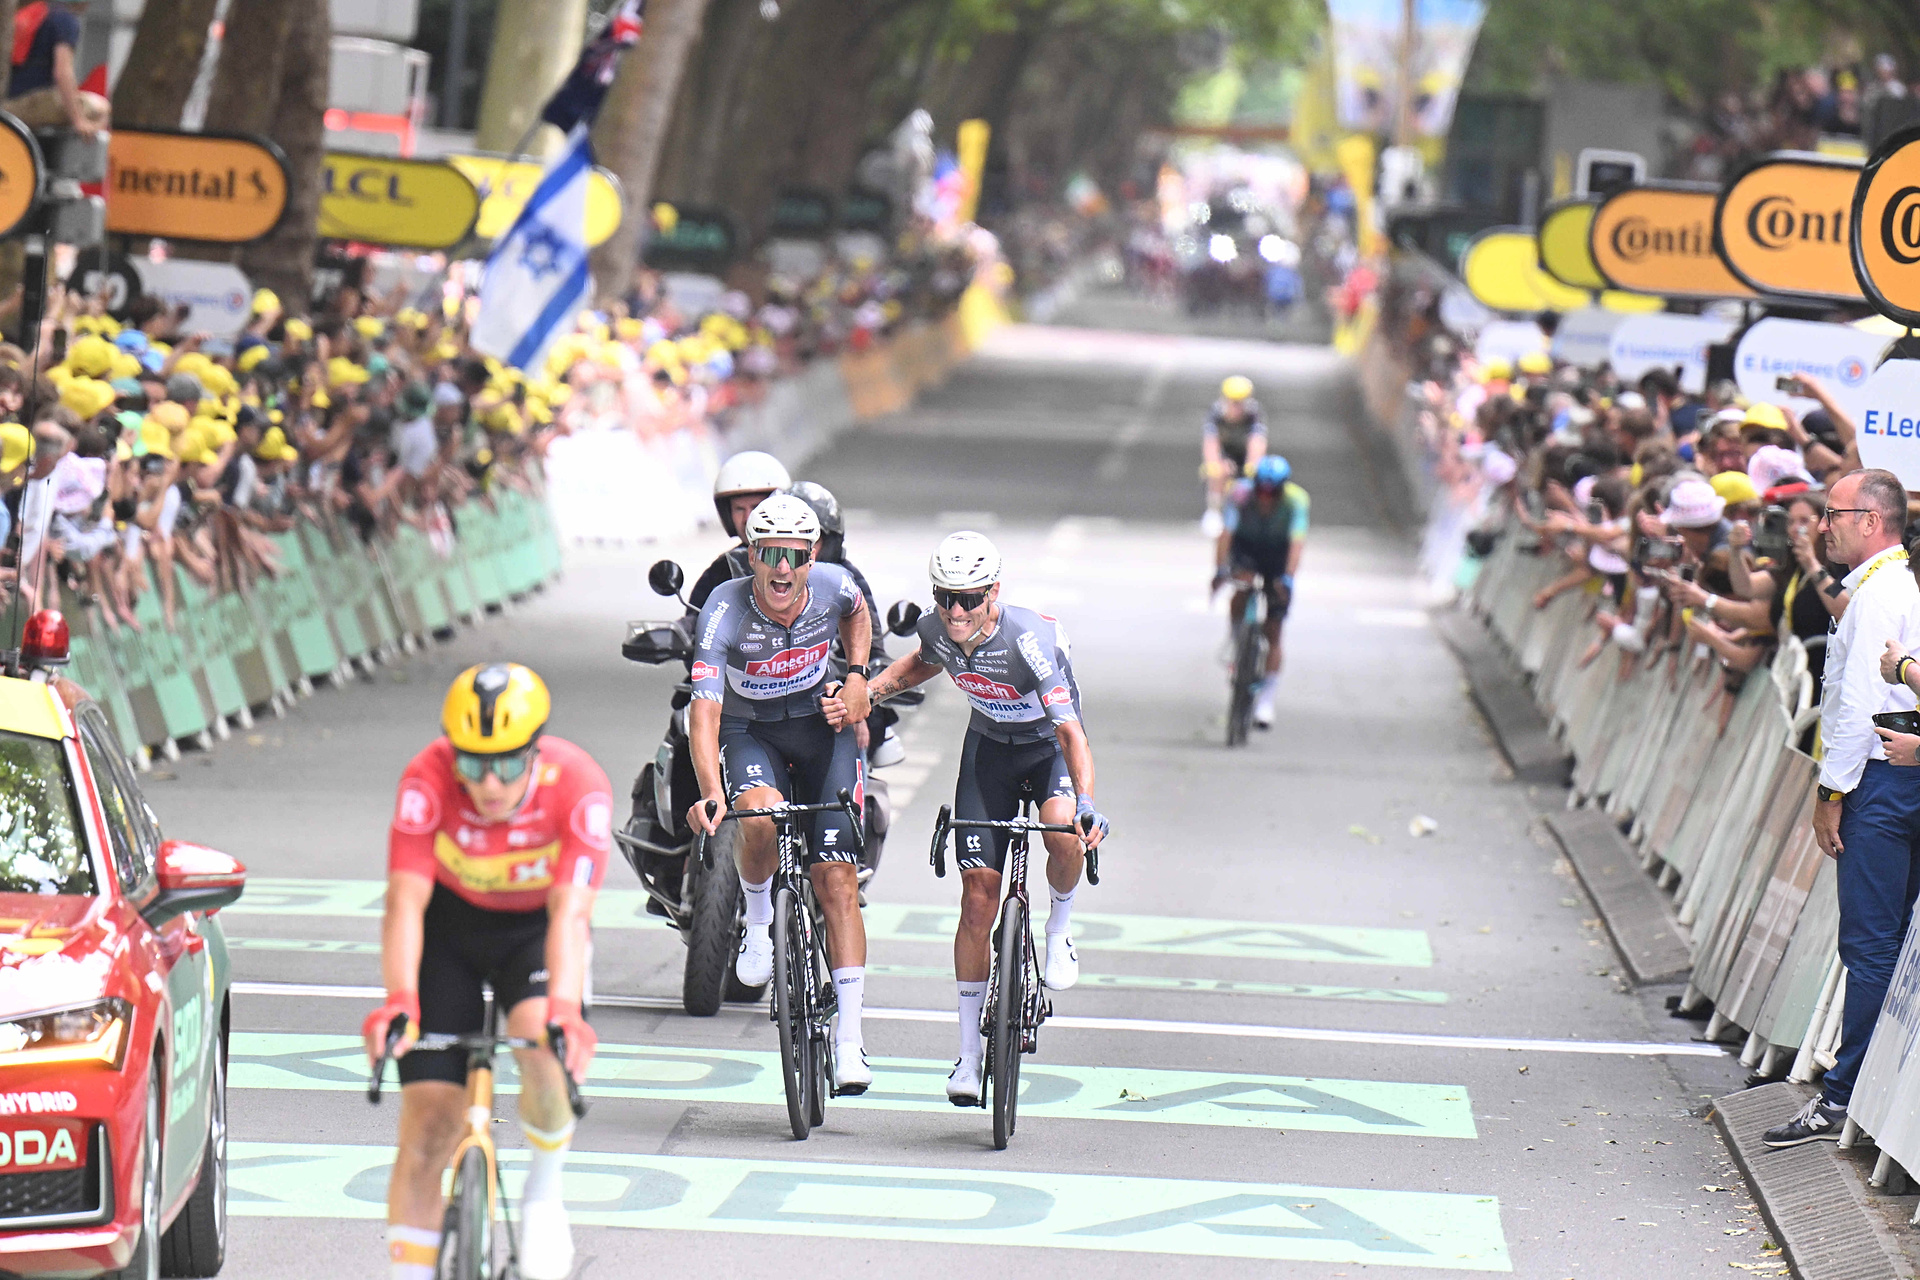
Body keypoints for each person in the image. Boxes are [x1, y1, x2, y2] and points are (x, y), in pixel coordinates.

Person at [361, 664, 612, 1280]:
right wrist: (398, 999)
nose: (490, 782)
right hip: (449, 930)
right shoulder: (427, 778)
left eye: (506, 762)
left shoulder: (579, 785)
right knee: (427, 1125)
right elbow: (405, 902)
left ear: (534, 750)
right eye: (473, 764)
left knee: (546, 1058)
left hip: (533, 934)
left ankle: (544, 1194)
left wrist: (565, 1013)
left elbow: (571, 916)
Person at [864, 531, 1109, 1105]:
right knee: (977, 899)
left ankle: (1059, 929)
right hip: (989, 753)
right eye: (945, 596)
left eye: (969, 598)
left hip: (1047, 750)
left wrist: (1089, 805)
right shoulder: (937, 626)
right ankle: (968, 1055)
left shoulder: (1029, 641)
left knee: (1063, 835)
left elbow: (1071, 732)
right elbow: (923, 661)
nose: (955, 610)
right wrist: (871, 692)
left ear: (993, 592)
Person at [684, 493, 877, 1094]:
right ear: (752, 554)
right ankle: (759, 918)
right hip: (751, 731)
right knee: (759, 818)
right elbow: (706, 713)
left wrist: (854, 676)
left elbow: (860, 614)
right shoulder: (724, 607)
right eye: (769, 554)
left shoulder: (834, 584)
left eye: (794, 556)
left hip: (822, 731)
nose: (782, 570)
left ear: (811, 554)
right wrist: (713, 793)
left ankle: (849, 1042)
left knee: (838, 878)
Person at [1764, 469, 1920, 1149]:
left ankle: (1846, 1094)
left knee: (1870, 944)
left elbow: (1858, 706)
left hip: (1881, 786)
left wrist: (1830, 797)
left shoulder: (1883, 591)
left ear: (1871, 520)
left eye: (1833, 513)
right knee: (1883, 942)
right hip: (1889, 778)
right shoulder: (1882, 587)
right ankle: (1866, 1091)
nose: (1822, 524)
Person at [1212, 454, 1310, 729]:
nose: (1266, 498)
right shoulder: (1240, 494)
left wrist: (1288, 578)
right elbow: (1227, 534)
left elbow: (1296, 543)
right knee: (1239, 592)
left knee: (1275, 628)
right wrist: (1221, 569)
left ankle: (1266, 699)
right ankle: (1236, 639)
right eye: (1261, 492)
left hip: (1277, 555)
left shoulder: (1296, 501)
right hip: (1248, 547)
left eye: (1272, 493)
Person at [688, 449, 791, 609]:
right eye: (739, 509)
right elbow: (695, 620)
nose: (748, 518)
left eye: (756, 507)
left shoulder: (805, 558)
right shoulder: (722, 570)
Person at [4, 0, 108, 136]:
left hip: (8, 102)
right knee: (102, 108)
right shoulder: (66, 20)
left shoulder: (36, 13)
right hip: (32, 101)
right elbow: (63, 72)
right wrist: (79, 121)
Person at [1200, 376, 1267, 536]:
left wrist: (1253, 465)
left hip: (1244, 454)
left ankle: (1255, 515)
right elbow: (1211, 441)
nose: (1237, 407)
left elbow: (1257, 441)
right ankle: (1214, 512)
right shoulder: (1216, 412)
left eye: (1241, 402)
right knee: (1217, 470)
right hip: (1226, 454)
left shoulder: (1254, 413)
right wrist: (1214, 463)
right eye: (1233, 402)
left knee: (1260, 474)